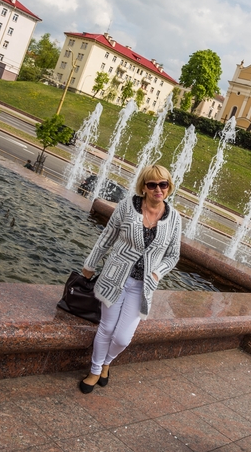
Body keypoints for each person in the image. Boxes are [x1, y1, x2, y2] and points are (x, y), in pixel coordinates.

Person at [79, 164, 182, 394]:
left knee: (123, 338)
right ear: (144, 187)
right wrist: (90, 265)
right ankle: (95, 370)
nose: (158, 189)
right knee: (107, 328)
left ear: (169, 186)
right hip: (114, 278)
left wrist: (156, 272)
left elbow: (173, 255)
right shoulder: (127, 206)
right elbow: (107, 237)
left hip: (142, 287)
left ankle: (107, 363)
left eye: (163, 184)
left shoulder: (174, 218)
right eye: (152, 184)